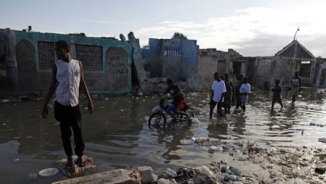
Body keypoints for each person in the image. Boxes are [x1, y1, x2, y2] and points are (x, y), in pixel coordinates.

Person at [42, 40, 94, 173]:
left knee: (78, 132)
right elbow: (52, 85)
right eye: (56, 51)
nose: (57, 53)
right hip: (61, 104)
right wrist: (45, 104)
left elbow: (82, 83)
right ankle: (70, 158)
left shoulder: (78, 64)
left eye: (59, 50)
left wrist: (89, 100)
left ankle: (80, 155)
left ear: (67, 51)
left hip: (75, 105)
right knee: (65, 133)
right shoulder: (56, 66)